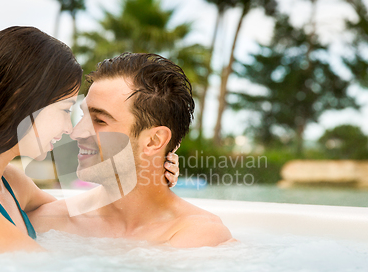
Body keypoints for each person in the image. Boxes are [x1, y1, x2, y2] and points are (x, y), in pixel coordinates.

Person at [0, 27, 180, 254]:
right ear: (20, 102)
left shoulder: (9, 182)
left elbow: (79, 217)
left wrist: (146, 171)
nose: (69, 128)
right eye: (65, 111)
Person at [29, 53, 235, 248]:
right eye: (82, 116)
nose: (76, 133)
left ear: (154, 141)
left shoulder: (199, 237)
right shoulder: (51, 222)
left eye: (99, 120)